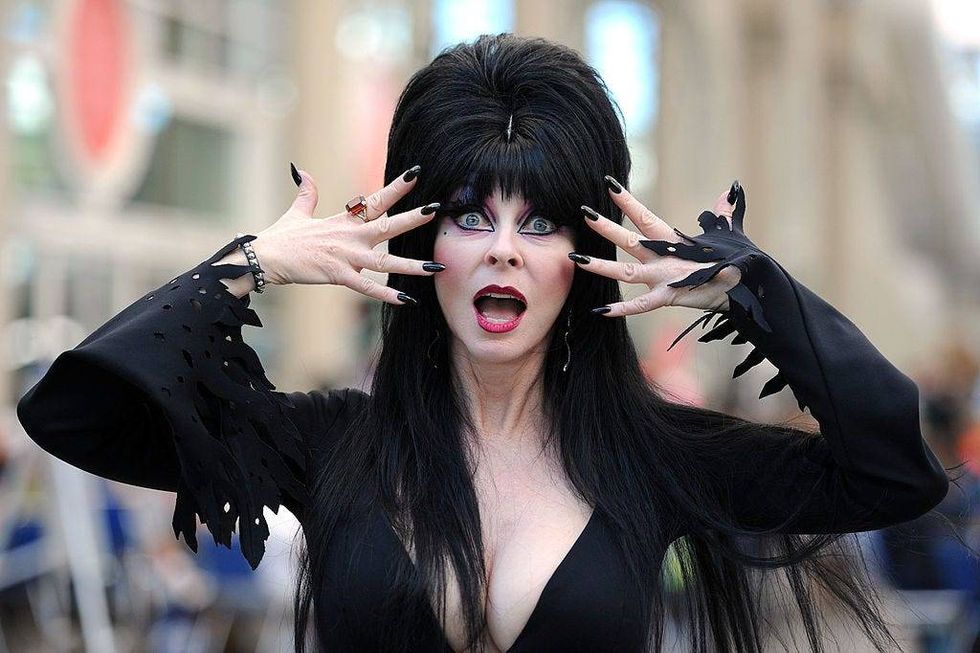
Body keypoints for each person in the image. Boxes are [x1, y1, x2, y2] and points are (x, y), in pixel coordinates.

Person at [16, 33, 952, 653]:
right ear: (425, 244)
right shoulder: (331, 444)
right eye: (471, 214)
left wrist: (755, 289)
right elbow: (72, 414)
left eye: (539, 222)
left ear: (581, 261)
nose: (504, 247)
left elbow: (892, 472)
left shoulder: (653, 456)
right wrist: (251, 262)